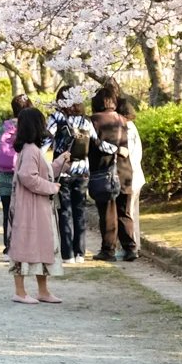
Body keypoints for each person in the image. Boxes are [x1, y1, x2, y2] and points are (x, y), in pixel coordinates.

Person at [7, 106, 69, 305]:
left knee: (40, 247)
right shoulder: (32, 150)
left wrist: (59, 163)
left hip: (35, 208)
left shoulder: (30, 149)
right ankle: (20, 291)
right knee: (26, 247)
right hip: (30, 209)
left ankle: (42, 290)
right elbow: (28, 176)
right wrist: (52, 187)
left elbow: (42, 171)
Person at [87, 86, 137, 262]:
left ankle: (108, 250)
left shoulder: (92, 121)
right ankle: (130, 248)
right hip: (124, 170)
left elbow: (89, 146)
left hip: (103, 171)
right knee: (124, 211)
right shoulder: (123, 120)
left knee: (107, 212)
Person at [50, 86, 93, 264]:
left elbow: (46, 138)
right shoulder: (86, 121)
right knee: (80, 211)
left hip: (64, 170)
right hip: (82, 170)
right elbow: (95, 141)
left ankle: (67, 254)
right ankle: (80, 253)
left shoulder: (56, 118)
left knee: (65, 211)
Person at [0, 94, 34, 252]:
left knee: (7, 214)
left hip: (4, 178)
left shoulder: (3, 128)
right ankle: (24, 246)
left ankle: (8, 247)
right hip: (25, 179)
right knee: (25, 215)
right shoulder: (30, 128)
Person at [120, 95, 146, 246]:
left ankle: (132, 245)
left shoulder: (126, 129)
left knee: (128, 213)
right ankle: (135, 243)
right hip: (136, 175)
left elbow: (126, 152)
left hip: (130, 175)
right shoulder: (132, 127)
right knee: (132, 212)